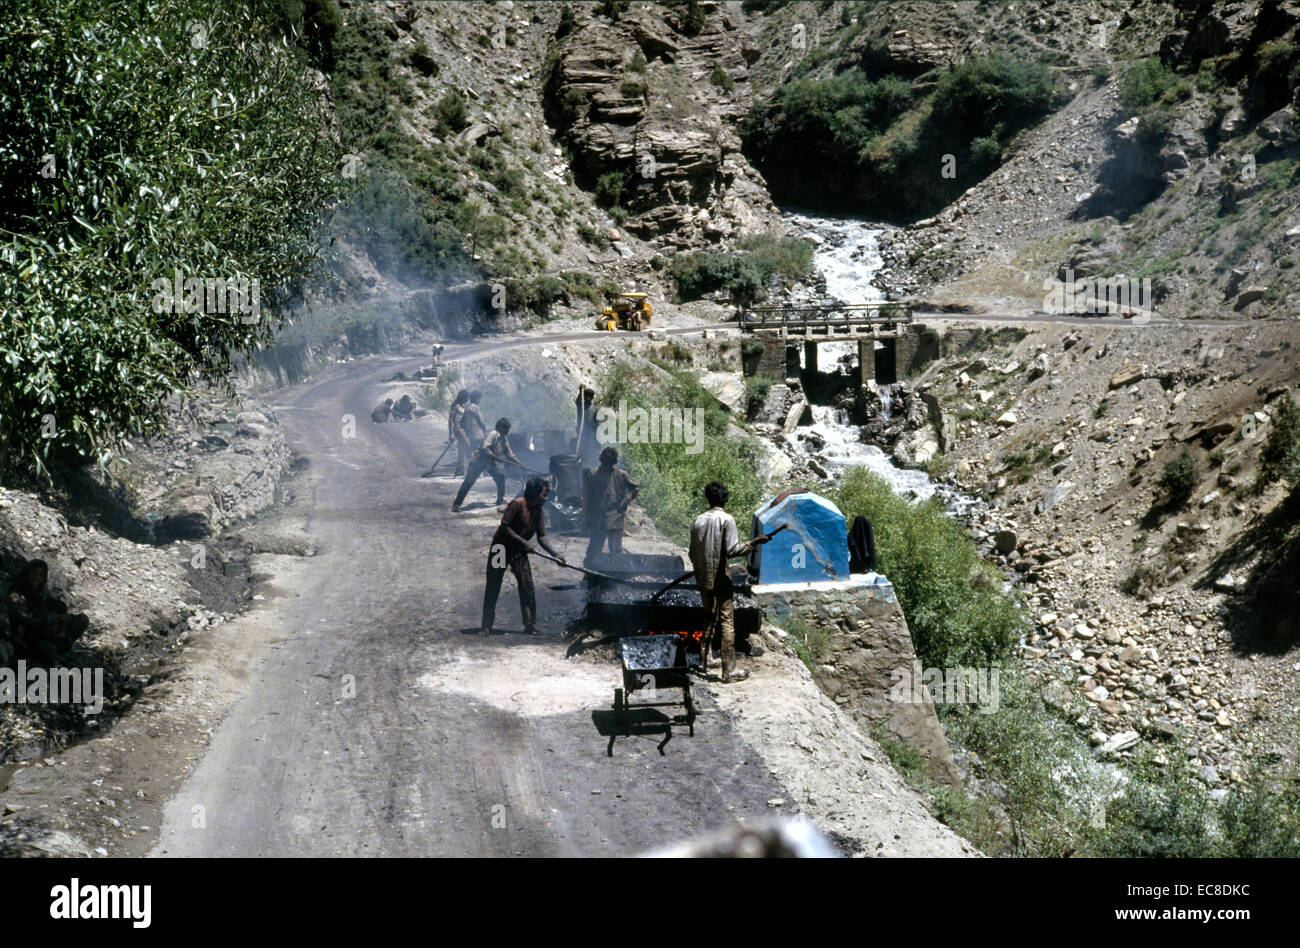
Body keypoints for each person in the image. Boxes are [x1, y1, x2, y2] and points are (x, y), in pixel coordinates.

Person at [687, 481, 771, 683]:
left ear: (708, 498)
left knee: (708, 616)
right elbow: (733, 550)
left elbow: (691, 553)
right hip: (720, 579)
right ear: (725, 498)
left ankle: (705, 659)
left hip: (702, 578)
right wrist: (754, 542)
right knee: (726, 621)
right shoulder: (727, 520)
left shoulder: (697, 521)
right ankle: (729, 670)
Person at [480, 477, 565, 636]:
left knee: (527, 585)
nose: (545, 499)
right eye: (543, 495)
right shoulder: (517, 504)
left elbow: (541, 537)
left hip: (519, 550)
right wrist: (523, 542)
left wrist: (556, 555)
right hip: (501, 548)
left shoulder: (539, 510)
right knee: (493, 584)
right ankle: (486, 626)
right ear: (534, 493)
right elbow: (504, 528)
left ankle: (529, 625)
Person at [5, 559, 90, 666]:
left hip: (45, 630)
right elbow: (28, 621)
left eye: (40, 575)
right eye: (34, 573)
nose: (37, 578)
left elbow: (56, 605)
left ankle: (62, 642)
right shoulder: (17, 594)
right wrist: (53, 620)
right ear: (27, 573)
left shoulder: (41, 591)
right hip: (27, 637)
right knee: (49, 651)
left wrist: (61, 615)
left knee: (81, 620)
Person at [452, 417, 523, 511]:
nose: (508, 431)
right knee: (468, 482)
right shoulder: (493, 434)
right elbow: (485, 448)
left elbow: (510, 454)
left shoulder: (504, 438)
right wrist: (497, 458)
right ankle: (456, 505)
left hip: (490, 463)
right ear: (501, 428)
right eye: (507, 429)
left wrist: (520, 464)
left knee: (500, 478)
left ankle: (500, 500)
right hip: (478, 461)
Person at [583, 446, 639, 562]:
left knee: (615, 550)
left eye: (610, 464)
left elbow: (635, 488)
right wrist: (587, 517)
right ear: (601, 460)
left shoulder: (621, 474)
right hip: (598, 518)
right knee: (594, 549)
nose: (607, 467)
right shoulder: (593, 474)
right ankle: (590, 572)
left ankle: (616, 573)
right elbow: (587, 498)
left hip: (615, 517)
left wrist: (626, 499)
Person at [448, 390, 471, 476]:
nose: (467, 400)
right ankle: (463, 469)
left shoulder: (461, 406)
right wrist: (451, 434)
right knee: (466, 447)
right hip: (459, 429)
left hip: (463, 429)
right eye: (466, 398)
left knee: (462, 449)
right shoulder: (456, 406)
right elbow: (450, 420)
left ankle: (460, 470)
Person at [574, 386, 600, 460]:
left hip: (590, 433)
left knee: (588, 449)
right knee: (580, 448)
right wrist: (580, 391)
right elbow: (578, 400)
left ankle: (587, 462)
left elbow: (597, 422)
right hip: (581, 431)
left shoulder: (595, 408)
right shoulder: (581, 406)